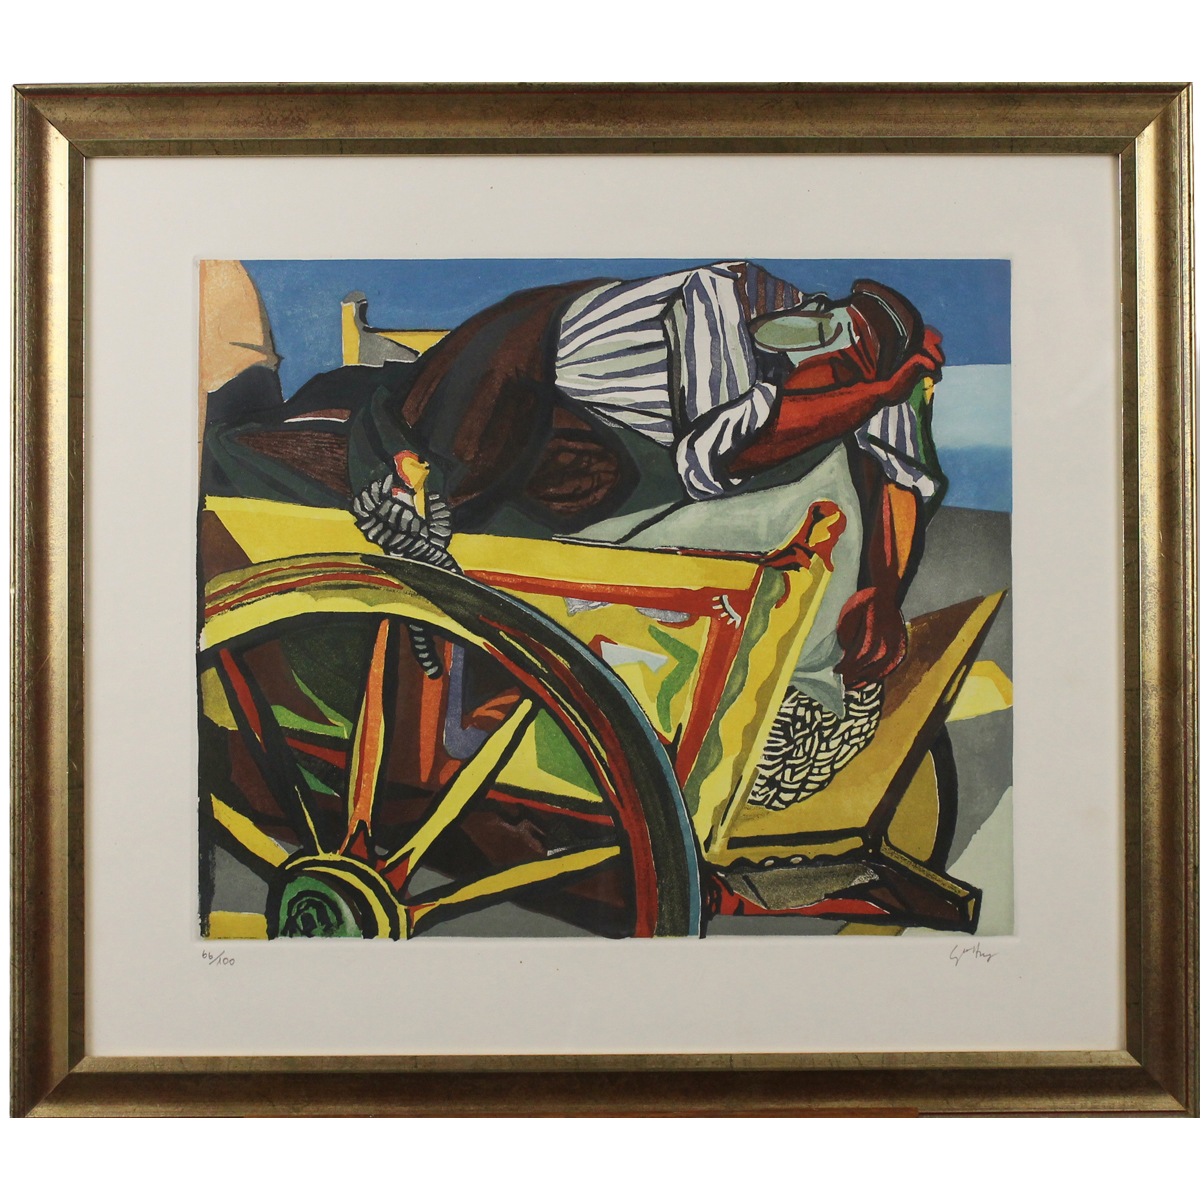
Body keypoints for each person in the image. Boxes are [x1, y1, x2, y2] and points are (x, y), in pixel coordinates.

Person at [203, 262, 946, 806]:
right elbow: (723, 447)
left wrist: (882, 592)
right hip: (496, 432)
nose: (849, 382)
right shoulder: (713, 303)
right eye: (843, 359)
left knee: (829, 480)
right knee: (311, 470)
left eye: (860, 370)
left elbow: (902, 474)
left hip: (591, 475)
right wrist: (870, 392)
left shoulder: (867, 378)